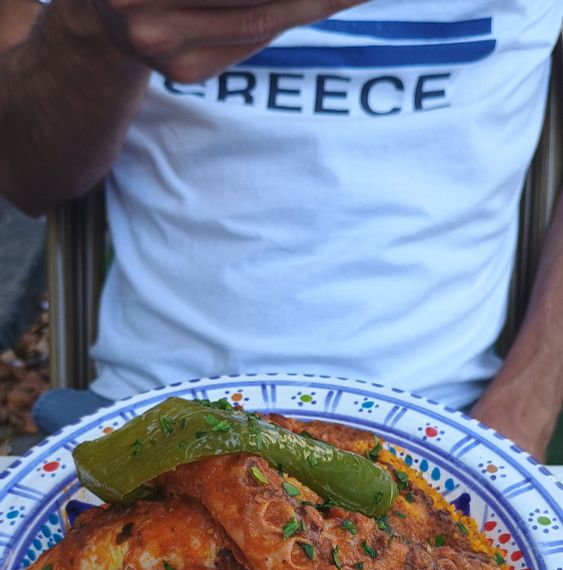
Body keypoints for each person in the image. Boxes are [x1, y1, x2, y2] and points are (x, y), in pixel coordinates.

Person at [0, 0, 561, 458]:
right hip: (149, 412)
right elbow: (24, 174)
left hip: (448, 423)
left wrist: (517, 420)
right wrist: (90, 26)